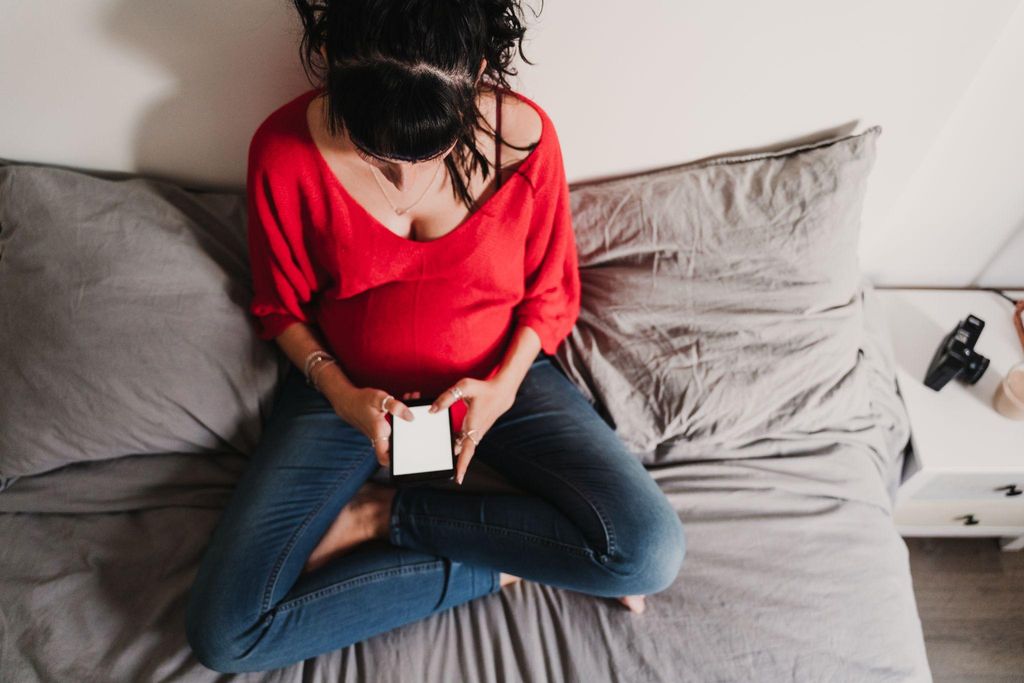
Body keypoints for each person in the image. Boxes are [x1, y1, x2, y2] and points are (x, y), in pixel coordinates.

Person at [185, 0, 685, 673]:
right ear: (332, 68)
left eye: (429, 153)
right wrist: (339, 392)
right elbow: (280, 308)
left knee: (649, 552)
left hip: (496, 382)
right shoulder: (282, 149)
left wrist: (504, 387)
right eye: (375, 152)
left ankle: (383, 515)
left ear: (475, 72)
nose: (403, 182)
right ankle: (512, 562)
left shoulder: (523, 138)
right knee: (224, 632)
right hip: (347, 398)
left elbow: (550, 296)